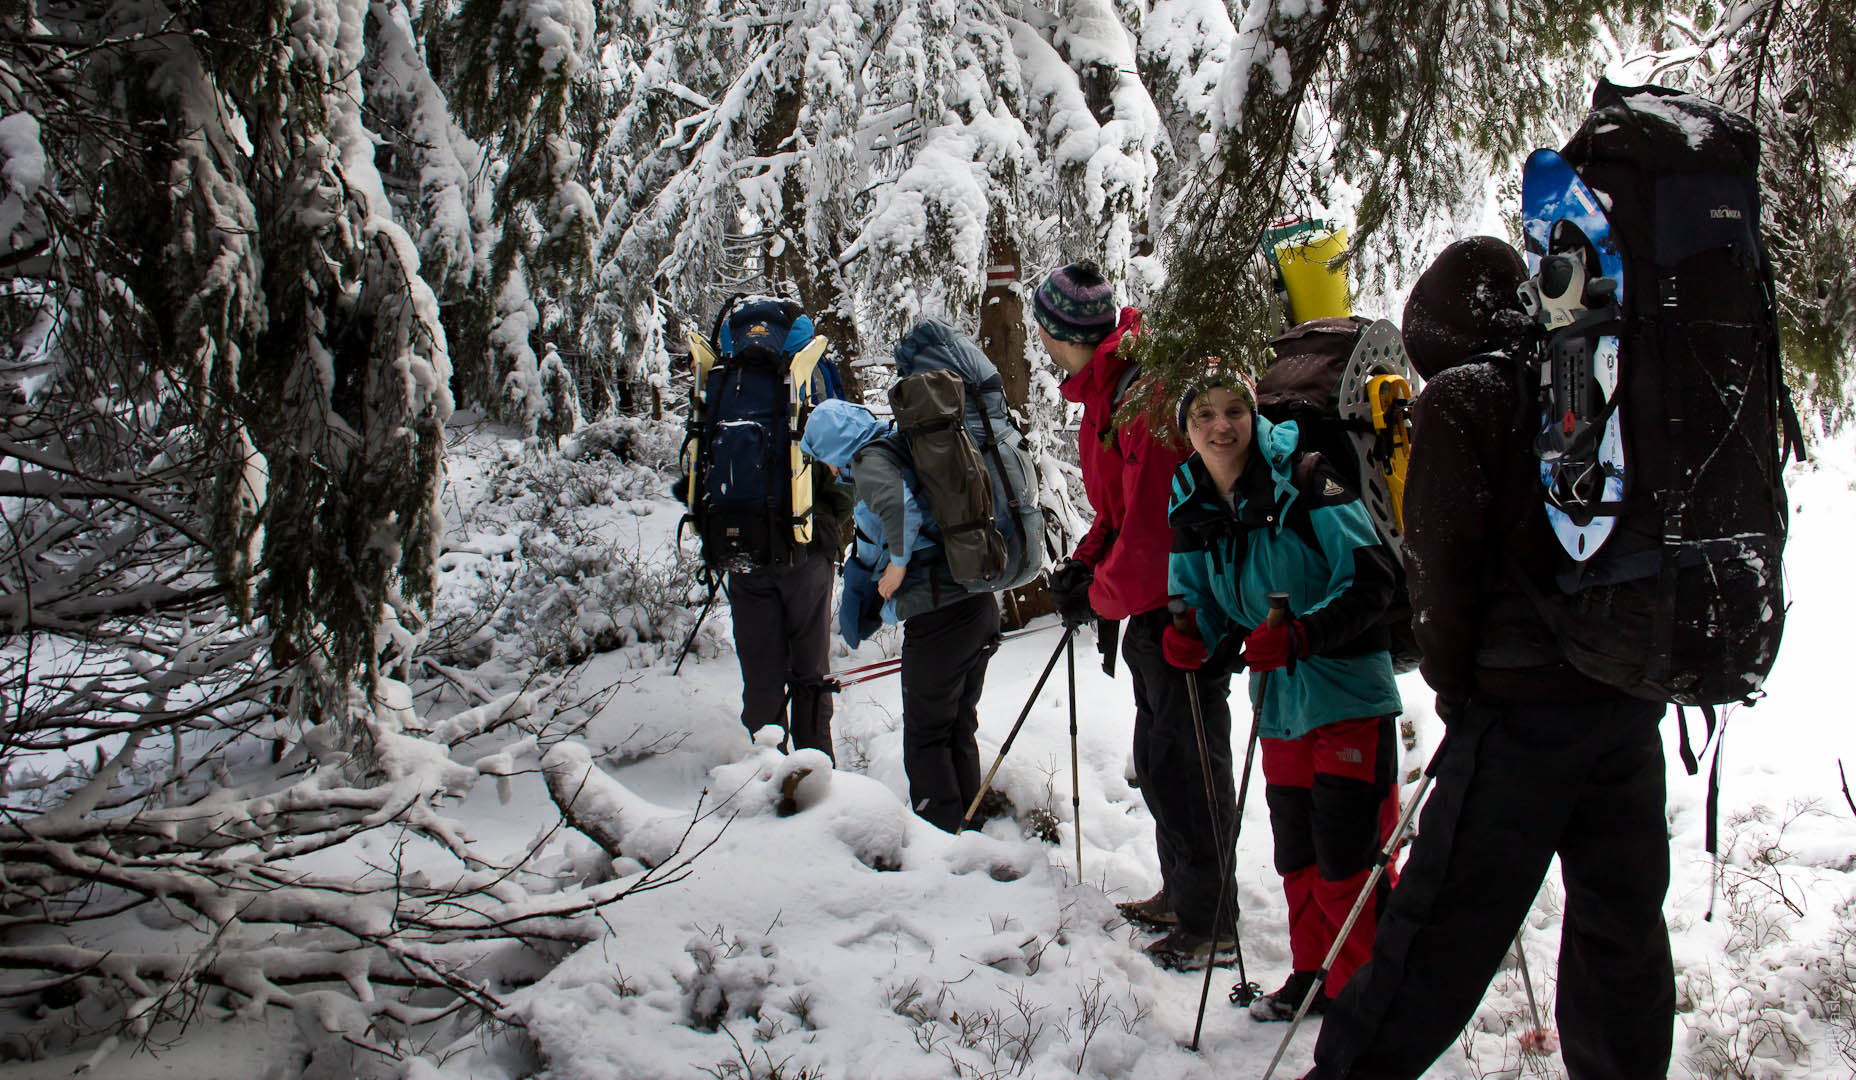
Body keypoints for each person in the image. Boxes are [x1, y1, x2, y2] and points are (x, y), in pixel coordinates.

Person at [1307, 237, 1673, 1079]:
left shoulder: (1466, 399)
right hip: (1623, 701)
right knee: (1621, 931)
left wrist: (1455, 687)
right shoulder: (1595, 382)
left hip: (1517, 717)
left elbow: (1440, 570)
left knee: (1437, 933)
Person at [1164, 371, 1404, 1019]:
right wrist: (1192, 638)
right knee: (1297, 851)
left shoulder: (1306, 476)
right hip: (1280, 705)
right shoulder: (1191, 499)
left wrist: (1300, 636)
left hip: (1349, 693)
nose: (1222, 425)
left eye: (1235, 409)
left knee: (1348, 859)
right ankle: (1314, 975)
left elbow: (1373, 578)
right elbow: (1199, 605)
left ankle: (1370, 1002)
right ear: (1184, 428)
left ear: (1252, 412)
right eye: (1204, 414)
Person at [1033, 262, 1234, 970]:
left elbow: (1150, 539)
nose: (1040, 343)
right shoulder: (1109, 394)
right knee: (1160, 758)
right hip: (1153, 607)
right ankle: (1183, 895)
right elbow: (1115, 515)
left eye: (1046, 331)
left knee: (1188, 765)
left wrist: (1097, 594)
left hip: (1184, 609)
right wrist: (1085, 563)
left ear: (1066, 334)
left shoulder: (1141, 396)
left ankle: (1214, 922)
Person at [799, 397, 1000, 834]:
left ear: (837, 450)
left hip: (940, 620)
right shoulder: (900, 448)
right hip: (977, 604)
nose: (830, 471)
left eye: (826, 461)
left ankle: (941, 840)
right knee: (958, 726)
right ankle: (971, 825)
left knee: (926, 736)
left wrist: (897, 564)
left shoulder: (871, 463)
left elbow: (899, 509)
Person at [720, 320, 853, 763]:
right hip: (806, 545)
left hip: (743, 544)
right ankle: (817, 771)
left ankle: (765, 768)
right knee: (809, 668)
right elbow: (843, 464)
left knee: (760, 668)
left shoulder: (727, 382)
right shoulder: (813, 376)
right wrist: (834, 519)